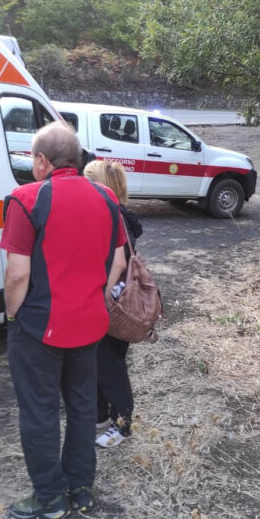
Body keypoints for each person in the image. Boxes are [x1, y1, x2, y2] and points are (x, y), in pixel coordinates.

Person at [1, 123, 127, 519]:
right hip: (89, 325)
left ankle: (50, 498)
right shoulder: (106, 198)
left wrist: (11, 314)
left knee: (38, 410)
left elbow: (17, 275)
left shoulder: (26, 199)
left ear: (42, 160)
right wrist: (97, 298)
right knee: (82, 404)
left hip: (39, 328)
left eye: (32, 159)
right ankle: (80, 487)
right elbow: (119, 259)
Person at [82, 160, 143, 448]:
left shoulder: (112, 215)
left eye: (87, 180)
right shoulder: (116, 213)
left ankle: (123, 425)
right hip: (115, 298)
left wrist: (102, 297)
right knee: (99, 360)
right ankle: (101, 415)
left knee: (111, 364)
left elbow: (117, 263)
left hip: (113, 302)